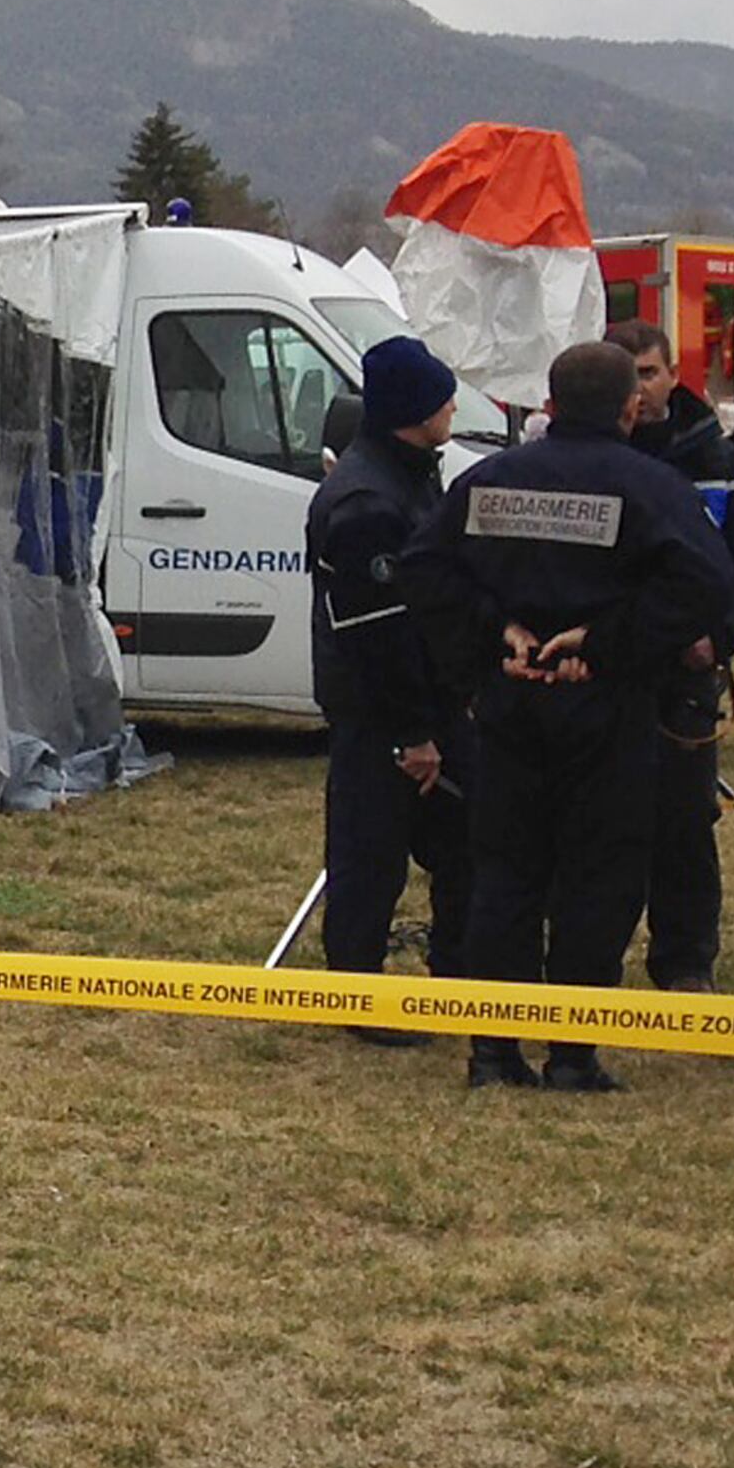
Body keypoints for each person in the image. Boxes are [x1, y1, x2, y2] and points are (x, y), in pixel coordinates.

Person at [399, 341, 731, 1092]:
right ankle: (573, 1053)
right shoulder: (651, 487)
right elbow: (706, 581)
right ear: (630, 408)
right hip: (608, 711)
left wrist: (494, 638)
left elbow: (425, 564)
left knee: (506, 872)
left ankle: (493, 1050)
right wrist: (609, 644)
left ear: (548, 404)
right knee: (601, 872)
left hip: (512, 706)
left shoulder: (491, 479)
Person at [306, 335, 474, 1039]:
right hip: (385, 715)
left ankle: (459, 978)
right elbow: (377, 633)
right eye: (442, 397)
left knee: (461, 844)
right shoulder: (369, 500)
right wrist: (414, 733)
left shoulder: (407, 475)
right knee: (370, 857)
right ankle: (358, 998)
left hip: (425, 705)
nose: (454, 407)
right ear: (414, 409)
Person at [611, 322, 734, 990]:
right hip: (603, 667)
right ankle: (583, 959)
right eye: (625, 375)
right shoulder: (583, 453)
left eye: (648, 373)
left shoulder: (716, 459)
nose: (638, 389)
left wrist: (721, 633)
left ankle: (684, 961)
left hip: (684, 670)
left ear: (671, 374)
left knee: (683, 821)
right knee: (599, 821)